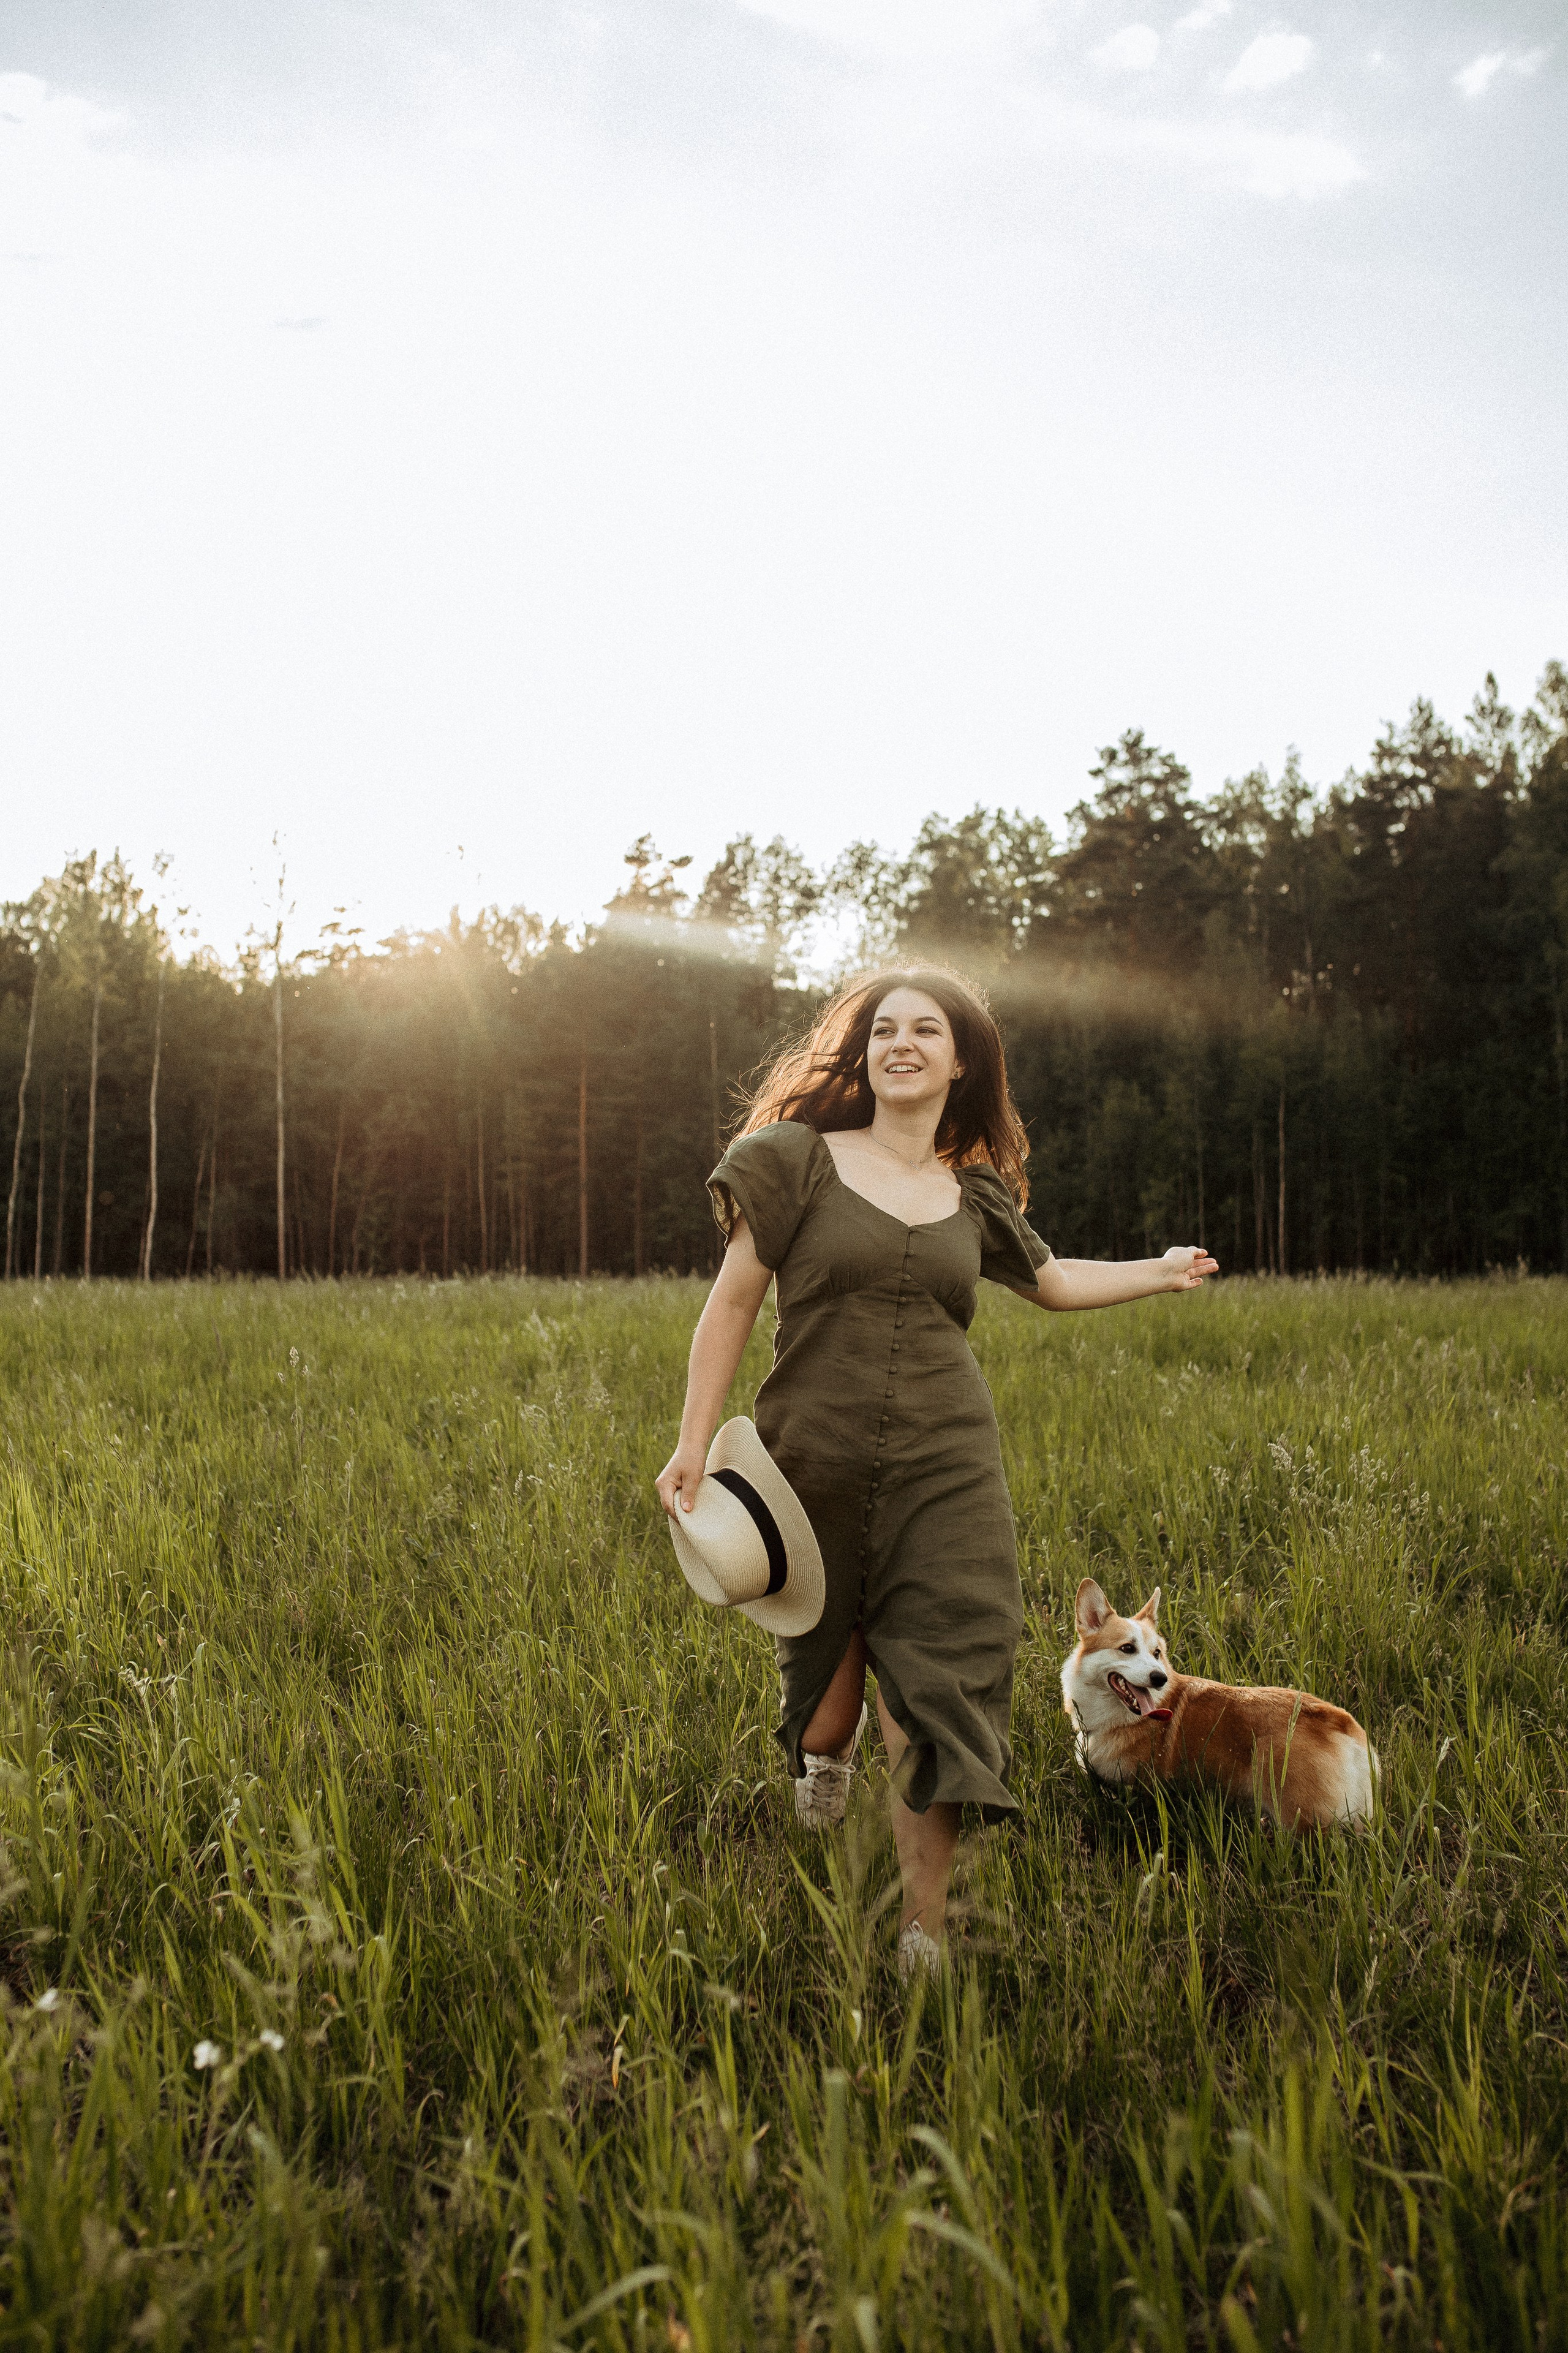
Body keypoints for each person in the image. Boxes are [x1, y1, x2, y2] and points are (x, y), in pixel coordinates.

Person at [655, 966, 1217, 1977]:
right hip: (810, 1467)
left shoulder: (974, 1197)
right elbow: (731, 1303)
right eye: (882, 1029)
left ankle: (925, 1930)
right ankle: (821, 1767)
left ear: (961, 1063)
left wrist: (1161, 1269)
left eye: (926, 1030)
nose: (900, 1042)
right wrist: (695, 1440)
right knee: (829, 1707)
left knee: (932, 1695)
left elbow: (1049, 1281)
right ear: (863, 1053)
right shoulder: (795, 1161)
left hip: (945, 1471)